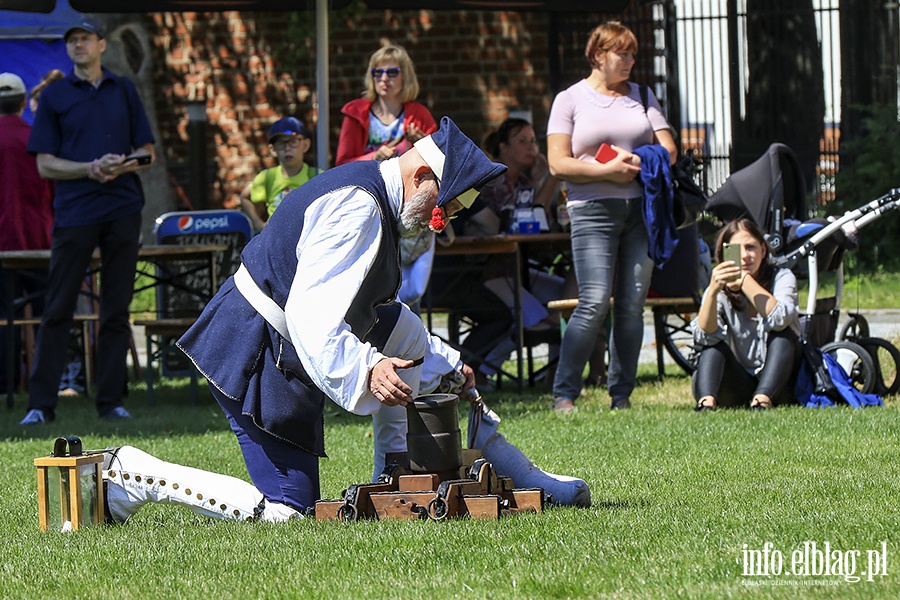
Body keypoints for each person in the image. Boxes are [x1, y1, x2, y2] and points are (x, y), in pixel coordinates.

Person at [175, 117, 590, 518]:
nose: (436, 221)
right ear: (422, 174)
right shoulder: (358, 207)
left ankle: (395, 469)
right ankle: (141, 478)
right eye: (441, 208)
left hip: (282, 344)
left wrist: (448, 366)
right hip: (253, 347)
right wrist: (367, 368)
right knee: (291, 512)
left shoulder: (379, 201)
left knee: (405, 336)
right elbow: (310, 312)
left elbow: (394, 322)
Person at [19, 17, 155, 425]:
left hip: (123, 207)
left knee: (116, 308)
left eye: (85, 39)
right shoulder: (56, 96)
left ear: (101, 46)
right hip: (76, 211)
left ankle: (111, 401)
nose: (78, 45)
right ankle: (40, 405)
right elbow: (45, 165)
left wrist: (122, 164)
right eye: (72, 41)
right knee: (57, 306)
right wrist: (89, 168)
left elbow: (147, 152)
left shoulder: (124, 90)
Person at [547, 21, 677, 413]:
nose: (630, 61)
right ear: (598, 55)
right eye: (622, 53)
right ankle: (565, 393)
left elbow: (669, 149)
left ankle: (621, 395)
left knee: (633, 302)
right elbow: (557, 164)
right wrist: (607, 172)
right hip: (591, 211)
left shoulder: (642, 96)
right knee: (594, 301)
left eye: (632, 54)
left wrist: (642, 159)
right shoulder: (570, 100)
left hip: (642, 210)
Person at [336, 44, 439, 314]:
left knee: (409, 293)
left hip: (409, 209)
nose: (384, 79)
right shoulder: (356, 113)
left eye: (392, 72)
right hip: (369, 206)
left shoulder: (419, 114)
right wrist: (372, 156)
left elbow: (440, 165)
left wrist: (421, 144)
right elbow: (341, 164)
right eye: (377, 72)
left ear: (405, 76)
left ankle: (410, 350)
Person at [690, 218, 801, 410]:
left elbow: (780, 319)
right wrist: (713, 290)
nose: (744, 256)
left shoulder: (783, 277)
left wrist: (744, 281)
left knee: (783, 336)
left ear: (763, 250)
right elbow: (704, 335)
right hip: (739, 382)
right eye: (735, 249)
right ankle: (706, 404)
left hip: (782, 382)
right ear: (724, 254)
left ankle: (762, 400)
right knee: (712, 346)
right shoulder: (719, 286)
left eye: (751, 247)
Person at [0, 72, 55, 393]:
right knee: (45, 316)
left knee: (3, 316)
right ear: (23, 102)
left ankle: (7, 384)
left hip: (4, 245)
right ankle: (43, 384)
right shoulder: (37, 141)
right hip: (39, 242)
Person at [239, 116, 321, 233]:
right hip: (276, 239)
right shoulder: (267, 177)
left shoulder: (316, 176)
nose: (287, 148)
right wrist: (258, 223)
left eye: (293, 142)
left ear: (306, 145)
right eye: (281, 144)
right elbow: (244, 197)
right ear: (273, 149)